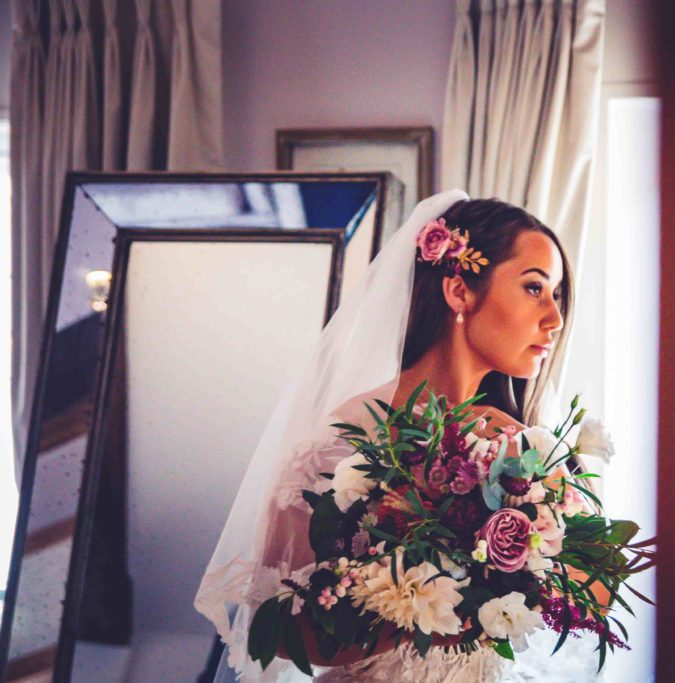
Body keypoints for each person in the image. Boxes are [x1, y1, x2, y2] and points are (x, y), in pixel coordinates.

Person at [196, 190, 604, 682]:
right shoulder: (346, 441)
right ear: (459, 291)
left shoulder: (524, 449)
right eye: (535, 288)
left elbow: (593, 593)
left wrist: (531, 568)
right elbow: (280, 628)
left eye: (557, 296)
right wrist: (426, 602)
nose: (555, 320)